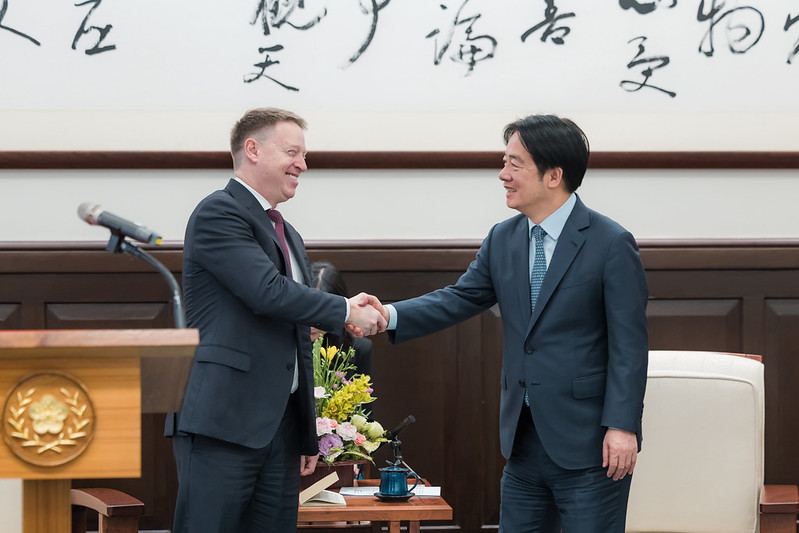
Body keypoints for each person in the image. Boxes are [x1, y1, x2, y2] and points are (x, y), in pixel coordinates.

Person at [364, 115, 649, 532]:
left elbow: (629, 346)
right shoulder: (503, 237)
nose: (503, 175)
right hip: (523, 441)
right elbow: (460, 297)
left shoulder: (610, 243)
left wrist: (622, 426)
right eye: (504, 162)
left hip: (589, 445)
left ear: (554, 176)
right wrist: (387, 315)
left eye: (515, 164)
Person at [171, 108, 386, 533]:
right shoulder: (219, 212)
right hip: (224, 420)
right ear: (252, 149)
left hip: (281, 431)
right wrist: (345, 309)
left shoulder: (288, 233)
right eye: (292, 152)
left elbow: (296, 331)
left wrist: (305, 433)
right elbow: (267, 291)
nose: (302, 165)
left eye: (304, 155)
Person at [308, 261, 372, 378]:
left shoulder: (358, 348)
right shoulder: (283, 343)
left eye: (321, 311)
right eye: (308, 310)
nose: (312, 324)